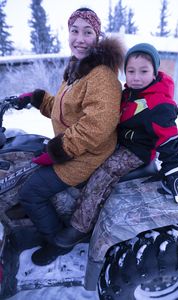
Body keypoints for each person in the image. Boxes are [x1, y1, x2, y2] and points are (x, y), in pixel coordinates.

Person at [53, 42, 178, 250]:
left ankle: (80, 225)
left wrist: (173, 172)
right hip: (118, 142)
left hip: (136, 151)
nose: (136, 77)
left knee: (105, 173)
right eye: (131, 71)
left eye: (143, 71)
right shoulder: (129, 92)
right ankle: (74, 203)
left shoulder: (159, 104)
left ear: (154, 72)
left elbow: (169, 139)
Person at [10, 7, 125, 266]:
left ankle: (58, 242)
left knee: (30, 191)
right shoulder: (77, 70)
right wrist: (36, 99)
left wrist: (57, 151)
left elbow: (96, 127)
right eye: (75, 31)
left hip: (87, 155)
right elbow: (65, 111)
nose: (80, 38)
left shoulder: (102, 75)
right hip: (73, 146)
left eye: (88, 32)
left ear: (97, 37)